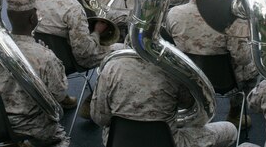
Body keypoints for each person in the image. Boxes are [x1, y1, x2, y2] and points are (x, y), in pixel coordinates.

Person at [91, 51, 237, 147]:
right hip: (171, 143)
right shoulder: (174, 71)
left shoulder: (111, 67)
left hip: (118, 141)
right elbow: (189, 104)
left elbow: (99, 118)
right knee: (230, 131)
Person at [0, 0, 70, 147]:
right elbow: (59, 95)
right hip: (32, 128)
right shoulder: (45, 57)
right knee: (61, 137)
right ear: (32, 18)